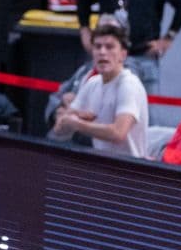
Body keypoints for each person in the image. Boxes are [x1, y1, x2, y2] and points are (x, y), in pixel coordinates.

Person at [45, 21, 151, 157]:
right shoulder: (92, 83)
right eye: (98, 47)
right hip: (101, 164)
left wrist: (78, 123)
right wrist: (64, 117)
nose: (102, 52)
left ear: (123, 55)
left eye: (109, 47)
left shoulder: (129, 84)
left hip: (129, 170)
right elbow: (60, 128)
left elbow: (118, 133)